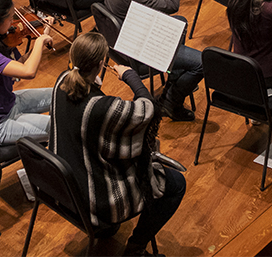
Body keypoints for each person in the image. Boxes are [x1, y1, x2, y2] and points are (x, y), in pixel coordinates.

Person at [50, 32, 186, 256]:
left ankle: (106, 231)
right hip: (94, 200)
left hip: (65, 189)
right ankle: (136, 248)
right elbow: (147, 109)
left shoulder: (61, 81)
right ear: (102, 63)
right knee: (175, 184)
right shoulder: (103, 108)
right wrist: (131, 77)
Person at [104, 0, 203, 121]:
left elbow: (151, 2)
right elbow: (171, 5)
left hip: (128, 39)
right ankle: (171, 102)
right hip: (139, 53)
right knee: (201, 63)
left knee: (180, 23)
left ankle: (175, 79)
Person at [0, 0, 54, 143]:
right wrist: (40, 42)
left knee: (60, 94)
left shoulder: (0, 40)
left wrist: (43, 34)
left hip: (10, 102)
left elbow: (19, 65)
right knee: (59, 128)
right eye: (10, 18)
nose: (14, 22)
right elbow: (28, 72)